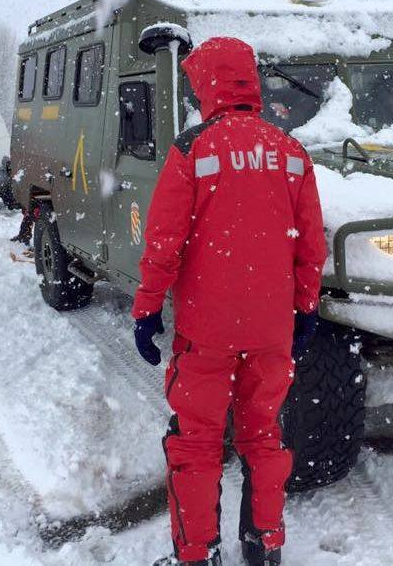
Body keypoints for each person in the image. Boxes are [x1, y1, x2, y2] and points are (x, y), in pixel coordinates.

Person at [132, 37, 327, 566]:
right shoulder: (290, 153)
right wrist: (305, 308)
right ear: (250, 83)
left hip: (207, 333)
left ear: (205, 85)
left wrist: (147, 307)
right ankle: (264, 546)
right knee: (264, 437)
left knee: (196, 443)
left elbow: (163, 242)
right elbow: (312, 245)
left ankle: (198, 554)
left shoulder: (192, 149)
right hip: (270, 331)